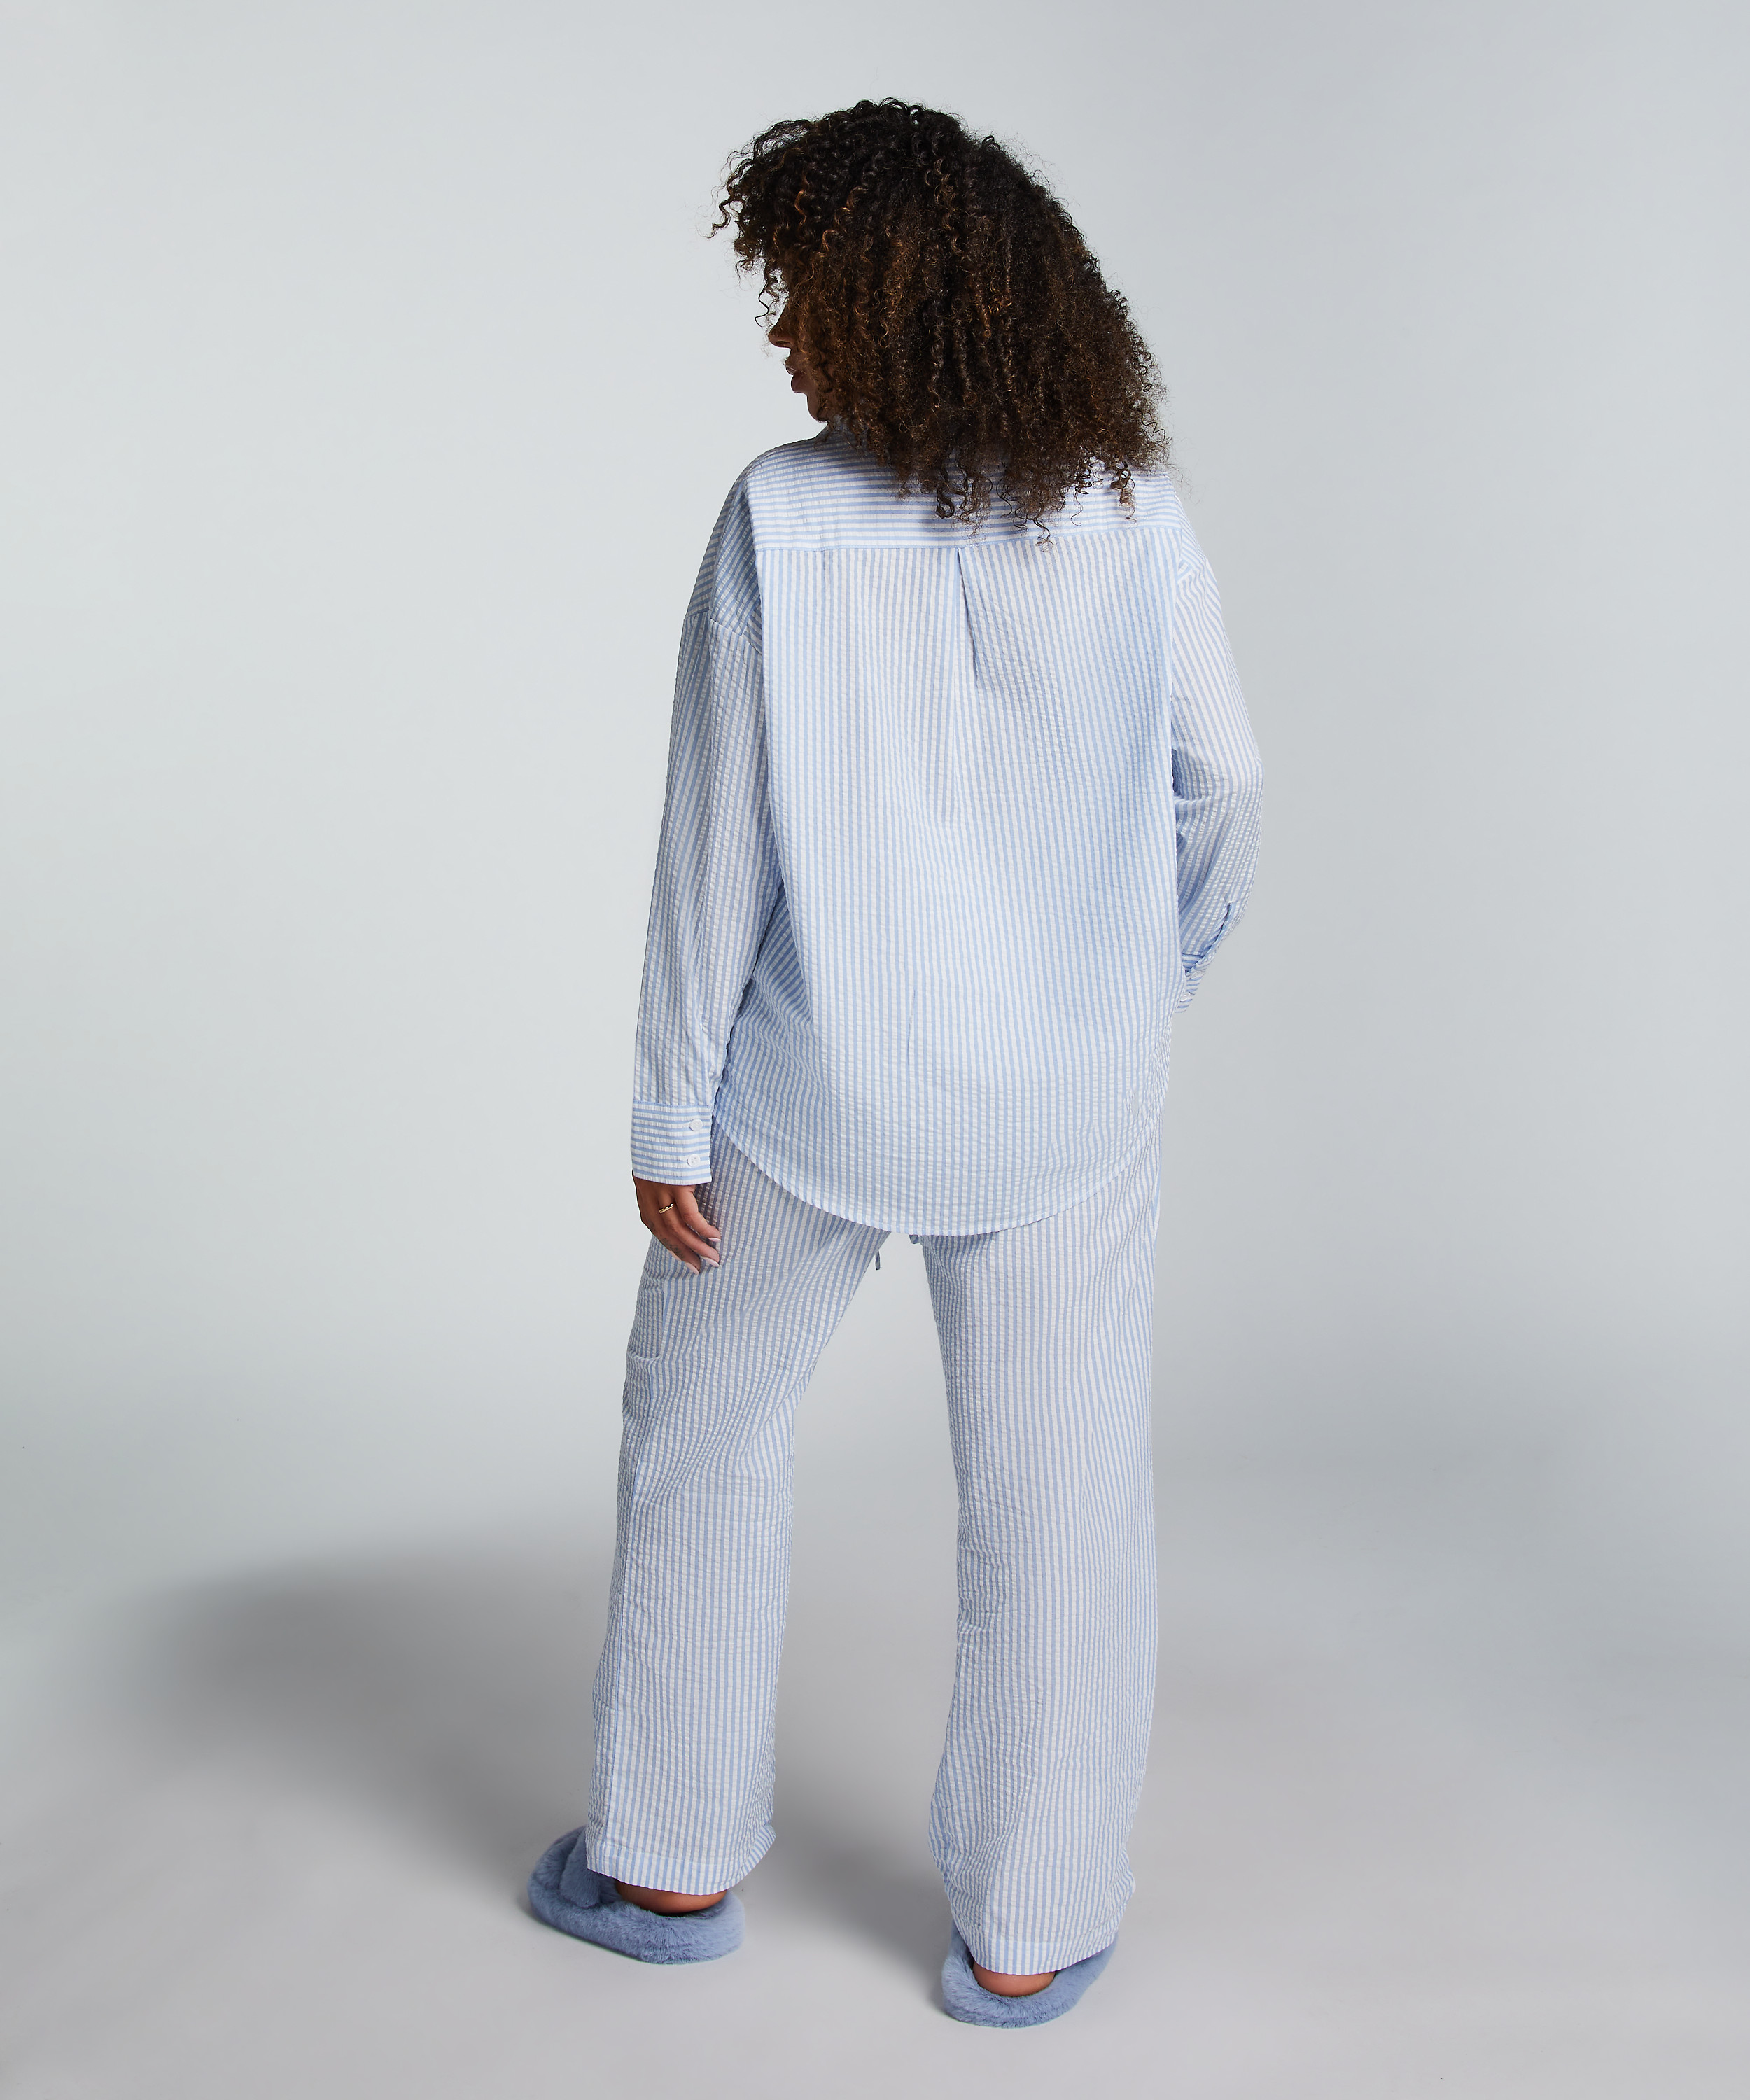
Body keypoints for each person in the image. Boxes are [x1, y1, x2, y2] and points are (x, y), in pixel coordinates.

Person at [528, 98, 1263, 2029]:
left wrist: (667, 1104)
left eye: (810, 295)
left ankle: (665, 1860)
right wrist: (1130, 989)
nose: (784, 335)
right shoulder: (1134, 511)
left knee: (699, 1441)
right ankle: (1031, 1925)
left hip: (803, 1094)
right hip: (1064, 1109)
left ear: (908, 308)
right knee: (1059, 1506)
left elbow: (714, 844)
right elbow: (1227, 790)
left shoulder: (780, 515)